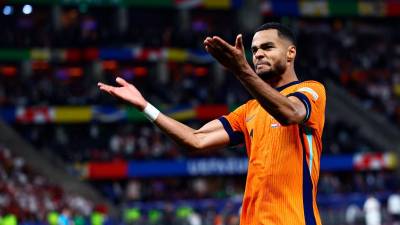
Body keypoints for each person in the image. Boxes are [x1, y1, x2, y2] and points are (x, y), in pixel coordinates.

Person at [98, 22, 326, 225]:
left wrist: (241, 70)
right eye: (254, 50)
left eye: (267, 47)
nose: (257, 54)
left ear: (290, 53)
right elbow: (196, 140)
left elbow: (289, 113)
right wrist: (145, 106)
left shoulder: (310, 90)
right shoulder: (250, 110)